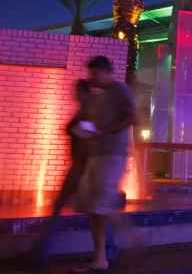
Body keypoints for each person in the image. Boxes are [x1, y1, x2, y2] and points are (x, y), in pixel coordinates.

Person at [31, 80, 118, 267]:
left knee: (96, 212)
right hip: (78, 168)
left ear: (82, 92)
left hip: (85, 170)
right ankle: (40, 250)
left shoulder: (91, 110)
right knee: (88, 210)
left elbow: (83, 133)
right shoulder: (84, 110)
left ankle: (108, 250)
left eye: (76, 91)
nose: (74, 95)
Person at [71, 56, 137, 274]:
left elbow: (132, 118)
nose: (91, 78)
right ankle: (100, 259)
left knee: (99, 203)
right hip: (96, 155)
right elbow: (93, 121)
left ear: (104, 71)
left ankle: (134, 235)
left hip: (113, 154)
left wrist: (102, 131)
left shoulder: (120, 91)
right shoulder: (100, 98)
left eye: (93, 73)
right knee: (92, 206)